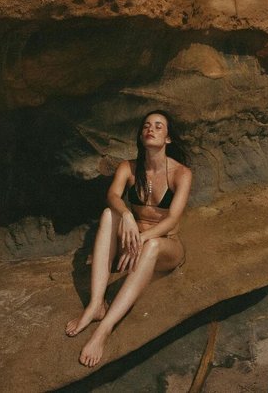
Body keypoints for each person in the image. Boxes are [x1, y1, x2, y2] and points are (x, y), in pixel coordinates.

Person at [65, 109, 192, 367]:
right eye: (146, 125)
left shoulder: (181, 174)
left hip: (164, 246)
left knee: (152, 244)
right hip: (132, 242)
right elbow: (112, 196)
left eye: (158, 126)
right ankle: (96, 305)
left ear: (168, 138)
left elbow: (172, 219)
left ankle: (105, 330)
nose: (151, 129)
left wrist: (142, 239)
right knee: (108, 214)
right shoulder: (129, 168)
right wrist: (126, 215)